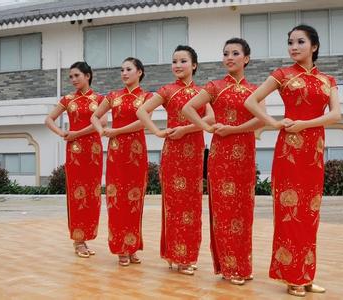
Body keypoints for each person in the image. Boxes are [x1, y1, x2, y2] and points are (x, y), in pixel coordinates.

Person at [244, 24, 341, 297]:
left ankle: (306, 274)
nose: (294, 47)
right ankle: (292, 276)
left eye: (300, 42)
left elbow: (335, 116)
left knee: (310, 215)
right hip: (289, 150)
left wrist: (304, 124)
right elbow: (252, 102)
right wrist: (275, 123)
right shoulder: (282, 75)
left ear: (314, 46)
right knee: (291, 214)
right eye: (290, 42)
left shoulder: (327, 80)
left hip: (314, 152)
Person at [182, 38, 264, 285]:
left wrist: (233, 129)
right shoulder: (215, 87)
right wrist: (207, 127)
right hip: (221, 156)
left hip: (245, 155)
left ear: (246, 59)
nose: (229, 57)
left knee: (244, 212)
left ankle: (243, 265)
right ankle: (229, 268)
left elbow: (261, 120)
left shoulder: (255, 90)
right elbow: (188, 108)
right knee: (224, 212)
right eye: (226, 53)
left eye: (235, 53)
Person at [137, 45, 213, 275]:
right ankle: (176, 255)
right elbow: (142, 112)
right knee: (173, 206)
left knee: (192, 205)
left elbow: (211, 116)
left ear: (194, 65)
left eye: (183, 61)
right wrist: (159, 132)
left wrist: (186, 129)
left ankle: (187, 254)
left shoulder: (201, 91)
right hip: (173, 153)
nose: (178, 66)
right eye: (175, 61)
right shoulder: (167, 90)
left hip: (194, 151)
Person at [91, 57, 151, 266]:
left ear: (139, 72)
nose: (124, 73)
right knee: (117, 201)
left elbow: (142, 122)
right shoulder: (113, 96)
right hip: (116, 154)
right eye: (122, 69)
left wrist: (116, 131)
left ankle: (132, 246)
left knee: (135, 200)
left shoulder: (147, 96)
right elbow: (94, 117)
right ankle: (120, 249)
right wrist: (103, 132)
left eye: (129, 69)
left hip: (136, 153)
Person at [45, 61, 106, 258]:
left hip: (94, 152)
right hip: (76, 153)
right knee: (76, 194)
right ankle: (78, 241)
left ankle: (86, 237)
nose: (73, 80)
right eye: (70, 76)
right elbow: (48, 120)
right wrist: (63, 133)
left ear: (88, 75)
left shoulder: (99, 99)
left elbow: (103, 122)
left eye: (76, 75)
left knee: (92, 194)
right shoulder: (68, 99)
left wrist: (76, 133)